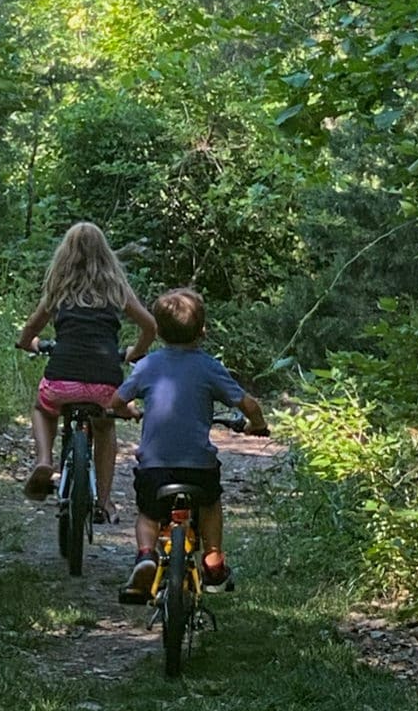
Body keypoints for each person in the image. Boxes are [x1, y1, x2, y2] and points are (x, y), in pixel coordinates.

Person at [110, 286, 268, 604]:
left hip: (155, 465)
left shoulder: (148, 365)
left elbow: (116, 401)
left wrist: (128, 411)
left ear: (159, 332)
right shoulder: (209, 367)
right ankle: (213, 561)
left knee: (148, 514)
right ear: (203, 330)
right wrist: (258, 426)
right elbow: (248, 404)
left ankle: (145, 555)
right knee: (209, 504)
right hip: (198, 467)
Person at [17, 222, 156, 520]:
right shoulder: (116, 287)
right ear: (106, 255)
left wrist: (27, 343)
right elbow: (149, 325)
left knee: (43, 408)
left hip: (61, 380)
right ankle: (103, 501)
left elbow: (31, 328)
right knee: (105, 427)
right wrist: (136, 351)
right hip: (105, 384)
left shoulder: (58, 289)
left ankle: (44, 460)